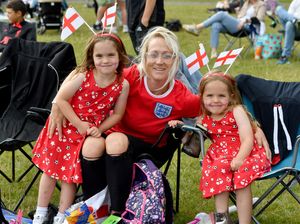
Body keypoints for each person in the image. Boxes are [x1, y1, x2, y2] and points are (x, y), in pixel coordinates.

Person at [48, 27, 271, 218]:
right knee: (91, 145)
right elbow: (87, 72)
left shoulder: (181, 95)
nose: (159, 61)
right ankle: (94, 210)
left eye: (167, 55)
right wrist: (58, 104)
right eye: (153, 54)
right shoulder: (130, 77)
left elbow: (219, 103)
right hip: (113, 137)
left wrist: (253, 124)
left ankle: (117, 214)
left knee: (115, 140)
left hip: (152, 148)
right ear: (144, 56)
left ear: (175, 59)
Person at [31, 33, 130, 224]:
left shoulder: (122, 85)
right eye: (99, 56)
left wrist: (99, 129)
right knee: (51, 172)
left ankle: (62, 216)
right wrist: (79, 124)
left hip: (84, 136)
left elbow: (117, 114)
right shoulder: (84, 76)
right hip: (64, 128)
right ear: (92, 57)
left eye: (111, 55)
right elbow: (61, 99)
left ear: (120, 56)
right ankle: (40, 213)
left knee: (71, 177)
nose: (105, 60)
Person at [169, 71, 271, 224]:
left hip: (246, 152)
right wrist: (180, 126)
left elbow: (248, 139)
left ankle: (245, 221)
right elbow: (192, 141)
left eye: (221, 96)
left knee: (241, 177)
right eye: (209, 96)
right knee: (218, 170)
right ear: (202, 97)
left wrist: (239, 158)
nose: (215, 100)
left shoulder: (237, 111)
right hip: (220, 155)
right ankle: (222, 219)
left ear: (231, 96)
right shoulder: (204, 118)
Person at [183, 0, 266, 58]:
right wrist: (238, 13)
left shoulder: (261, 4)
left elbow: (259, 19)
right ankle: (214, 52)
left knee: (222, 14)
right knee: (216, 25)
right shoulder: (246, 3)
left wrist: (245, 20)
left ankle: (197, 28)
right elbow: (240, 16)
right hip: (237, 25)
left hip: (247, 28)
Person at [274, 0, 300, 64]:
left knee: (289, 23)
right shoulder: (296, 1)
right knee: (278, 9)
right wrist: (294, 19)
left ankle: (284, 56)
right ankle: (294, 20)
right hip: (293, 28)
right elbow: (287, 15)